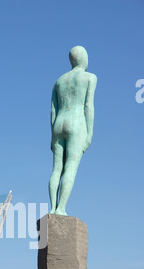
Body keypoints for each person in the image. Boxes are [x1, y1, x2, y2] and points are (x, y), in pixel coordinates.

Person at [49, 46, 97, 216]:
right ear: (84, 58)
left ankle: (53, 207)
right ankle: (61, 208)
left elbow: (53, 111)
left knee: (56, 169)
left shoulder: (59, 81)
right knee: (70, 166)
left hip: (58, 124)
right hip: (77, 124)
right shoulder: (90, 78)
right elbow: (88, 106)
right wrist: (90, 133)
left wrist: (52, 135)